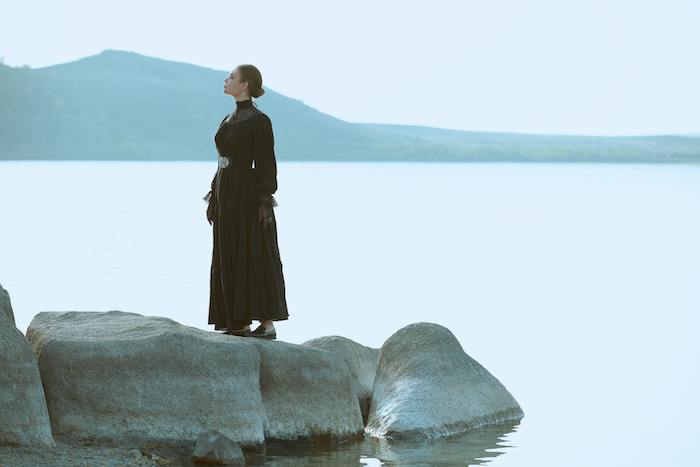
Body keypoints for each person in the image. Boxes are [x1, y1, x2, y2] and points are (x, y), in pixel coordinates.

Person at [204, 64, 288, 340]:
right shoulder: (229, 118)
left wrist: (264, 201)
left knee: (255, 251)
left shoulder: (259, 120)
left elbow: (266, 162)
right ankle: (237, 322)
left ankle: (267, 325)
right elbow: (222, 161)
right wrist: (214, 196)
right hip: (227, 191)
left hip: (247, 193)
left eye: (231, 77)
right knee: (229, 252)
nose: (226, 79)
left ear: (244, 85)